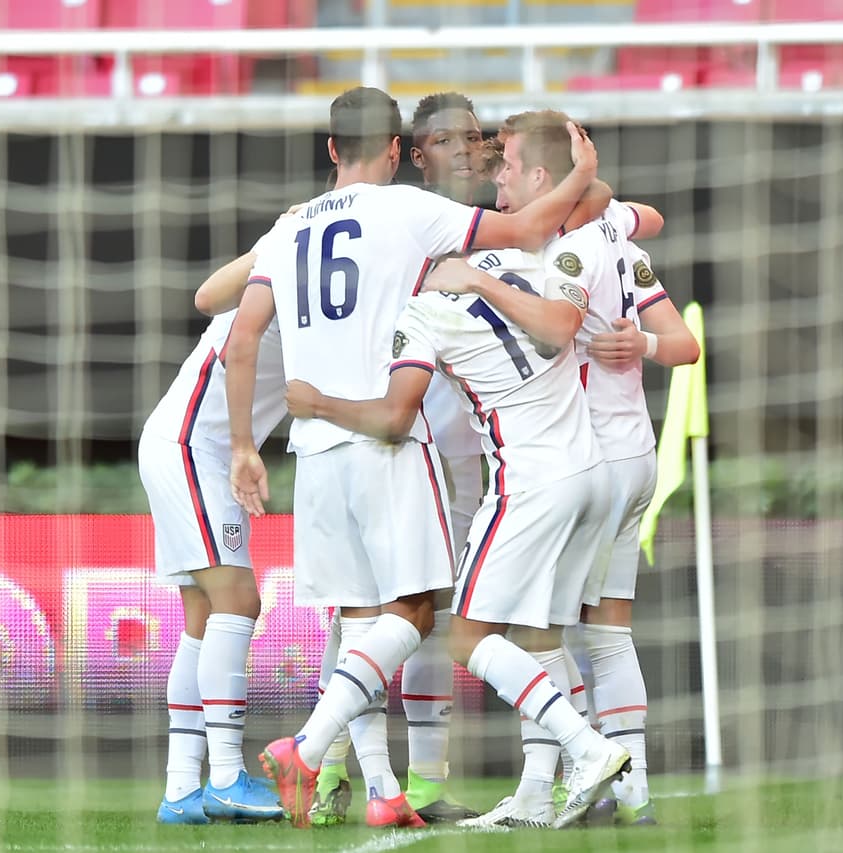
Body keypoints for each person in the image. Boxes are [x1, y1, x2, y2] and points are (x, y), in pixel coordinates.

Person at [224, 86, 600, 829]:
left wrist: (243, 445)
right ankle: (306, 745)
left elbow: (240, 338)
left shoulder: (289, 226)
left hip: (312, 453)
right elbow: (528, 227)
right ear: (397, 152)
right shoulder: (404, 209)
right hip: (387, 439)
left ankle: (380, 789)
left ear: (331, 149)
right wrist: (581, 169)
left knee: (360, 619)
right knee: (421, 609)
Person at [282, 238, 632, 830]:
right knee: (539, 637)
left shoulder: (419, 311)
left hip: (526, 481)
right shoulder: (523, 259)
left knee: (464, 637)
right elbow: (615, 233)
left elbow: (395, 417)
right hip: (594, 471)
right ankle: (535, 795)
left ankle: (588, 748)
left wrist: (317, 403)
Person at [492, 110, 701, 825]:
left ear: (545, 176)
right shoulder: (615, 232)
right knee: (608, 631)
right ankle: (632, 790)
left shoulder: (568, 254)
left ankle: (553, 783)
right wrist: (640, 343)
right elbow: (685, 344)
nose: (500, 181)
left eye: (510, 167)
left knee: (534, 632)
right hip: (634, 455)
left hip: (586, 465)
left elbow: (554, 330)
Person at [137, 225, 289, 825]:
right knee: (238, 600)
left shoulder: (319, 257)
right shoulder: (295, 245)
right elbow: (206, 297)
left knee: (202, 616)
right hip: (193, 443)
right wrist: (276, 238)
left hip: (189, 443)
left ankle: (180, 790)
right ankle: (226, 777)